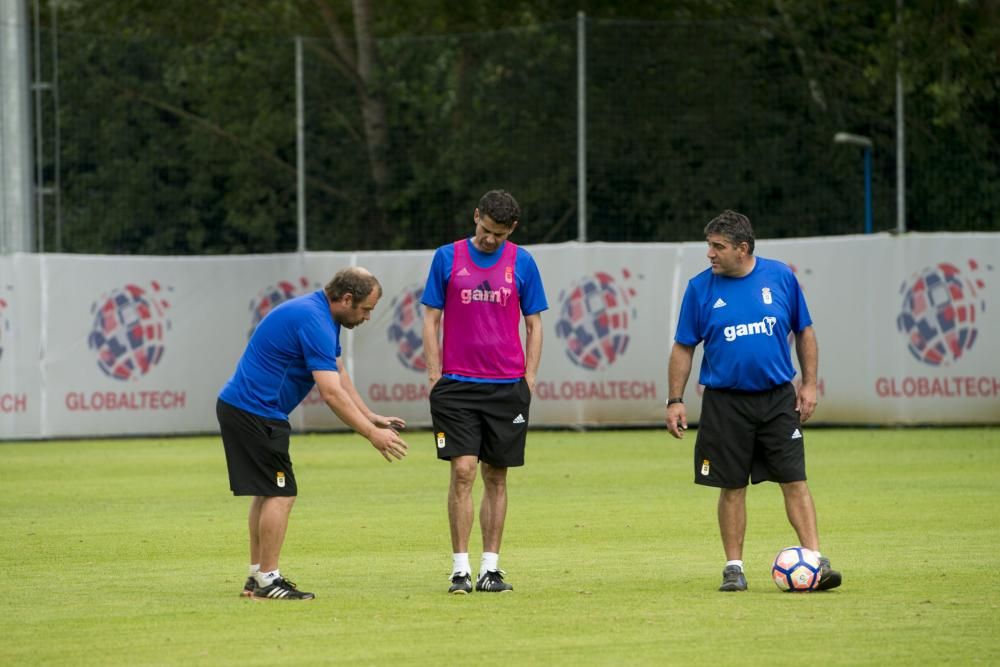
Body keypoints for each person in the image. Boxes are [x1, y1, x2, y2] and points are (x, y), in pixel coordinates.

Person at [665, 210, 842, 592]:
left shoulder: (780, 277)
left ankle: (814, 561)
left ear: (742, 249)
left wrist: (809, 385)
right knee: (732, 486)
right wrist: (675, 399)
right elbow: (683, 347)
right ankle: (733, 568)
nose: (710, 254)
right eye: (709, 246)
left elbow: (804, 331)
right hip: (725, 402)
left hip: (778, 399)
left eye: (718, 247)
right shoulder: (700, 288)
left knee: (795, 480)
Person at [217, 267, 408, 601]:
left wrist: (369, 416)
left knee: (267, 491)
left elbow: (338, 371)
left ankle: (256, 577)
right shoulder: (315, 320)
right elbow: (331, 393)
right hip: (255, 411)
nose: (366, 317)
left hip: (245, 408)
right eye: (366, 309)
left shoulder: (318, 313)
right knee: (282, 492)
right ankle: (267, 580)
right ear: (347, 298)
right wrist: (370, 435)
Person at [421, 189, 548, 594]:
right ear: (476, 217)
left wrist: (529, 377)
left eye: (499, 234)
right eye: (485, 229)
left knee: (496, 475)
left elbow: (535, 323)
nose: (490, 239)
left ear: (512, 229)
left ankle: (490, 569)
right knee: (463, 472)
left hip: (506, 386)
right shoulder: (446, 257)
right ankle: (460, 568)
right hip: (456, 385)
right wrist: (433, 374)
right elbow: (430, 319)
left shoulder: (523, 262)